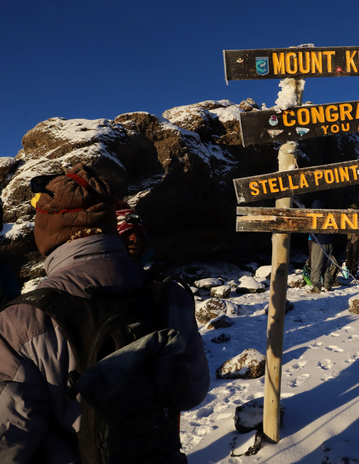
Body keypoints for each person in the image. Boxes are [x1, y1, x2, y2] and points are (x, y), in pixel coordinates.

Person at [0, 163, 210, 463]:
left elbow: (8, 443)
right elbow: (193, 392)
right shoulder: (171, 295)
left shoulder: (20, 321)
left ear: (46, 234)